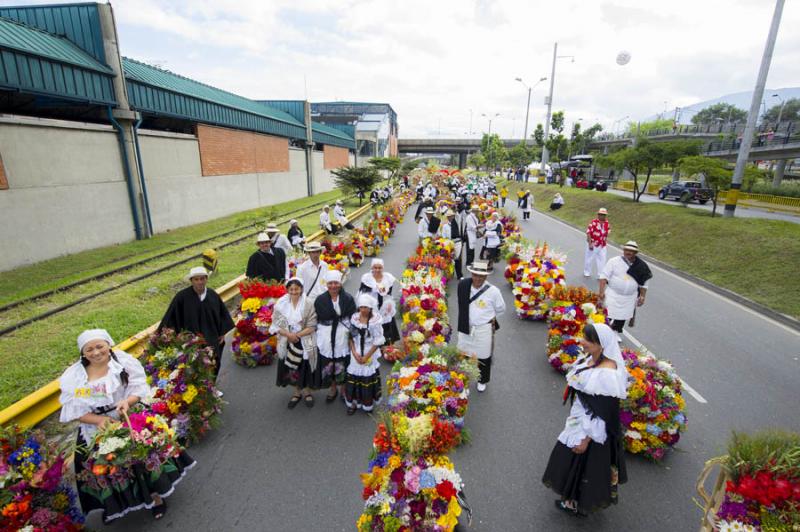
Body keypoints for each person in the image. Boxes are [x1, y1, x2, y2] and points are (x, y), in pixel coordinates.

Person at [59, 329, 195, 523]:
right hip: (96, 425)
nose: (96, 352)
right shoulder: (75, 377)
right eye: (89, 349)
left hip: (126, 416)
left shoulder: (122, 363)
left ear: (108, 345)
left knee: (140, 458)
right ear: (83, 353)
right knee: (98, 467)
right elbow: (74, 411)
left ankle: (155, 498)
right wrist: (99, 421)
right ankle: (113, 505)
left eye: (99, 346)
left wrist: (128, 402)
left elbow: (139, 387)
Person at [542, 323, 629, 517]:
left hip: (590, 431)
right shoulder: (591, 359)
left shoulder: (608, 373)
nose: (582, 342)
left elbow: (603, 413)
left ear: (602, 345)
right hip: (579, 421)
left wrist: (586, 439)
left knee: (582, 464)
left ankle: (576, 502)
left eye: (588, 340)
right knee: (574, 462)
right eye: (584, 337)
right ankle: (572, 498)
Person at [159, 267, 235, 382]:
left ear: (206, 279)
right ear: (191, 281)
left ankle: (212, 389)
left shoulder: (212, 295)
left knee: (214, 363)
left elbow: (223, 315)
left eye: (202, 279)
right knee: (194, 369)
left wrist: (223, 333)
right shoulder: (182, 297)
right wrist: (167, 335)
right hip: (190, 342)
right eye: (196, 279)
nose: (200, 282)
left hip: (212, 339)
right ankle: (201, 393)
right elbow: (171, 317)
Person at [456, 260, 506, 392]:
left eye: (481, 276)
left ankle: (482, 380)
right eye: (475, 275)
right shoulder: (463, 285)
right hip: (466, 326)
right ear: (471, 274)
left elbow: (501, 309)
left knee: (483, 356)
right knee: (464, 354)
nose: (477, 278)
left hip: (484, 328)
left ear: (486, 276)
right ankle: (464, 379)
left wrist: (492, 319)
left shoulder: (494, 291)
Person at [271, 278, 319, 409]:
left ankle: (307, 391)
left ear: (301, 289)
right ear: (287, 290)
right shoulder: (281, 303)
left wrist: (296, 335)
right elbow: (276, 324)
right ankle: (297, 392)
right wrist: (289, 335)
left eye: (296, 289)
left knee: (304, 366)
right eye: (291, 289)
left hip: (303, 339)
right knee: (292, 368)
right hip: (287, 340)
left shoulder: (309, 304)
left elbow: (312, 325)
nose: (294, 292)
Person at [314, 270, 356, 403]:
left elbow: (353, 317)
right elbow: (318, 317)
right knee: (328, 362)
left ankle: (343, 388)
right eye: (330, 283)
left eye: (336, 283)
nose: (333, 286)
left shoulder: (348, 298)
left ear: (340, 283)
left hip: (342, 335)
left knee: (343, 361)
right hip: (326, 335)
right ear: (327, 285)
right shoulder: (320, 299)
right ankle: (332, 388)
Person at [598, 241, 652, 338]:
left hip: (629, 297)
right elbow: (603, 276)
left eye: (631, 251)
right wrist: (601, 292)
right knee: (608, 313)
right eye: (626, 250)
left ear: (635, 253)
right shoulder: (614, 261)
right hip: (613, 294)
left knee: (622, 317)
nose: (628, 252)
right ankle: (604, 332)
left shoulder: (641, 266)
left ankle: (615, 331)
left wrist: (642, 296)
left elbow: (644, 284)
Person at [344, 294, 385, 415]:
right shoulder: (355, 318)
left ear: (371, 308)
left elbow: (378, 341)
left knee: (367, 377)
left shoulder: (375, 321)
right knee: (354, 377)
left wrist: (367, 356)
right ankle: (354, 403)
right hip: (355, 351)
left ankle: (368, 403)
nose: (363, 310)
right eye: (361, 307)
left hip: (369, 351)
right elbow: (350, 337)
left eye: (365, 307)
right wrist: (354, 353)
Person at [359, 258, 400, 344]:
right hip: (371, 306)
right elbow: (362, 293)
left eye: (379, 267)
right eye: (375, 267)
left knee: (386, 324)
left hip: (384, 306)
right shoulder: (366, 278)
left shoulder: (388, 278)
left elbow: (389, 294)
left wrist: (389, 304)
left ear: (383, 268)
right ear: (372, 268)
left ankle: (386, 345)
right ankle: (372, 345)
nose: (377, 270)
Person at [584, 208, 610, 278]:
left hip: (602, 244)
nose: (602, 216)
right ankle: (587, 272)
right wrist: (590, 243)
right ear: (598, 215)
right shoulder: (593, 222)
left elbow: (607, 233)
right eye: (601, 214)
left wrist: (604, 241)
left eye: (604, 215)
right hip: (593, 243)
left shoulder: (607, 223)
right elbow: (588, 232)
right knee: (589, 258)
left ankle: (601, 274)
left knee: (602, 259)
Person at [440, 209, 464, 279]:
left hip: (457, 242)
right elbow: (444, 236)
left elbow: (459, 216)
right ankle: (450, 274)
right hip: (449, 243)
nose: (450, 217)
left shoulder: (457, 222)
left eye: (451, 216)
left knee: (458, 259)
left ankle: (459, 275)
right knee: (449, 258)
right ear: (447, 217)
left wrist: (455, 209)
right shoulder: (445, 226)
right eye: (449, 216)